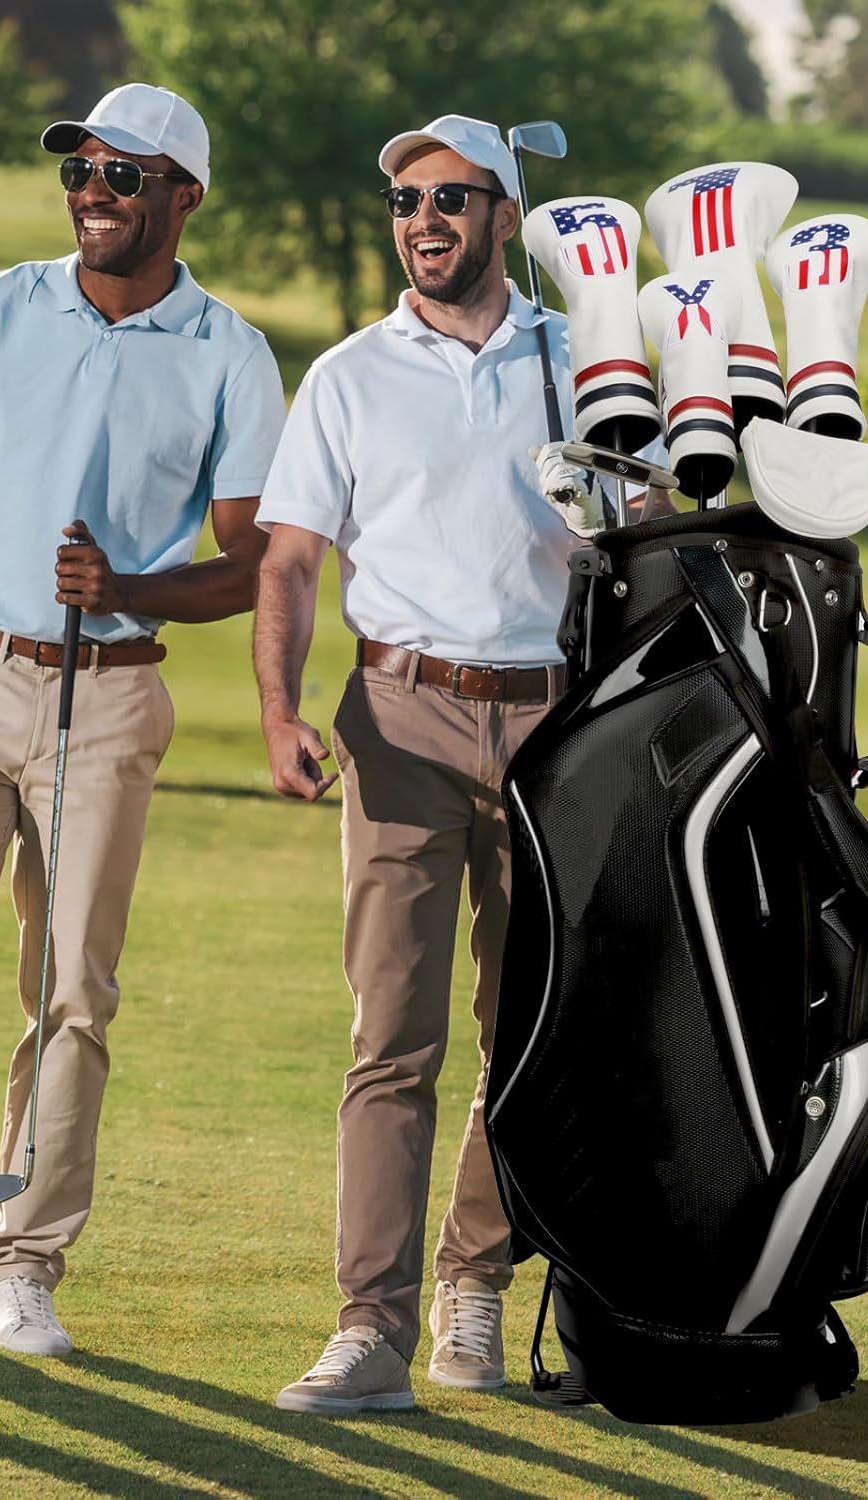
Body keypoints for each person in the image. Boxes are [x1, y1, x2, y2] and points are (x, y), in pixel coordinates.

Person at [0, 83, 287, 1355]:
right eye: (80, 168)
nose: (93, 190)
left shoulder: (230, 353)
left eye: (124, 175)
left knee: (72, 988)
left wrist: (128, 586)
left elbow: (256, 562)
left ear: (183, 197)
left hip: (114, 691)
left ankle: (25, 1258)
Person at [253, 115, 668, 1413]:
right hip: (400, 715)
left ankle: (473, 1285)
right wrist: (278, 708)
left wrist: (620, 506)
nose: (422, 221)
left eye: (449, 198)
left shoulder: (589, 360)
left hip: (559, 729)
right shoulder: (350, 375)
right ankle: (371, 1327)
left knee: (524, 1031)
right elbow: (290, 560)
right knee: (392, 1035)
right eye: (405, 202)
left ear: (505, 214)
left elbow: (660, 527)